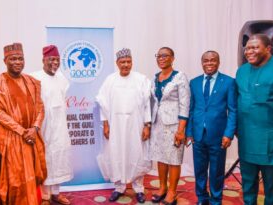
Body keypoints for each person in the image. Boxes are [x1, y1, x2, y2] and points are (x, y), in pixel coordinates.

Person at [236, 34, 273, 205]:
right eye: (247, 48)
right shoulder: (241, 70)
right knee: (248, 182)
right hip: (247, 137)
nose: (249, 51)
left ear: (268, 49)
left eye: (254, 47)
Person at [0, 43, 47, 205]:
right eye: (13, 59)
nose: (17, 62)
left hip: (31, 138)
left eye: (20, 58)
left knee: (31, 176)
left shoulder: (31, 81)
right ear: (5, 60)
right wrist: (22, 131)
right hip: (11, 138)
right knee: (14, 179)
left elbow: (40, 107)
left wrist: (34, 128)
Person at [96, 48, 152, 203]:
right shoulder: (110, 80)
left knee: (136, 153)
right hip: (116, 125)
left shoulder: (141, 79)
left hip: (136, 124)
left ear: (132, 62)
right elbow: (103, 103)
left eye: (128, 62)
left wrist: (147, 125)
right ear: (117, 63)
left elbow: (147, 104)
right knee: (116, 154)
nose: (126, 65)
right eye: (122, 62)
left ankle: (138, 188)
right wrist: (106, 124)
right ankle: (119, 187)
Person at [186, 51, 237, 205]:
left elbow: (233, 110)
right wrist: (189, 132)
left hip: (218, 135)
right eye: (206, 61)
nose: (209, 63)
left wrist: (229, 133)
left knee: (216, 171)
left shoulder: (228, 82)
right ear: (202, 63)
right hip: (198, 135)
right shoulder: (194, 82)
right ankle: (202, 198)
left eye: (213, 60)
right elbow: (192, 109)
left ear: (218, 62)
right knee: (199, 170)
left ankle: (216, 200)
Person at [30, 45, 73, 205]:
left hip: (60, 125)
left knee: (60, 157)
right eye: (51, 59)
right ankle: (45, 196)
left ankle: (56, 193)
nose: (54, 63)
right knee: (46, 158)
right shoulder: (34, 78)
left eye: (57, 60)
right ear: (43, 60)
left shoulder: (62, 78)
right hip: (43, 125)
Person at [148, 47, 190, 204]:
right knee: (160, 156)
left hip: (174, 124)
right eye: (158, 56)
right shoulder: (154, 78)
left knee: (174, 158)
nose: (161, 58)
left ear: (173, 58)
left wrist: (181, 130)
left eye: (165, 55)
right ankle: (162, 187)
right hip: (158, 123)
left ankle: (172, 192)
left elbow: (185, 104)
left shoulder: (180, 77)